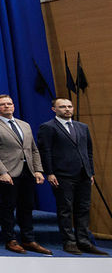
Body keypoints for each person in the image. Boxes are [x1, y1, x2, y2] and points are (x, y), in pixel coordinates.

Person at [0, 94, 50, 255]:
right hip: (8, 173)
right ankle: (10, 239)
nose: (6, 107)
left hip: (28, 171)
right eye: (2, 104)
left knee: (27, 207)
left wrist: (38, 170)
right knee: (7, 207)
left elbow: (33, 149)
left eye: (9, 104)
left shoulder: (24, 124)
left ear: (13, 105)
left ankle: (28, 239)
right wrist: (2, 171)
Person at [38, 97, 106, 255]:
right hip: (62, 174)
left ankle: (83, 241)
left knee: (83, 208)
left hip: (83, 174)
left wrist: (90, 172)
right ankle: (69, 241)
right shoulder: (48, 127)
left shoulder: (82, 127)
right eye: (62, 107)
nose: (67, 109)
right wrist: (49, 173)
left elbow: (88, 151)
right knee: (65, 209)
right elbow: (45, 151)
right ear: (54, 109)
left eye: (69, 106)